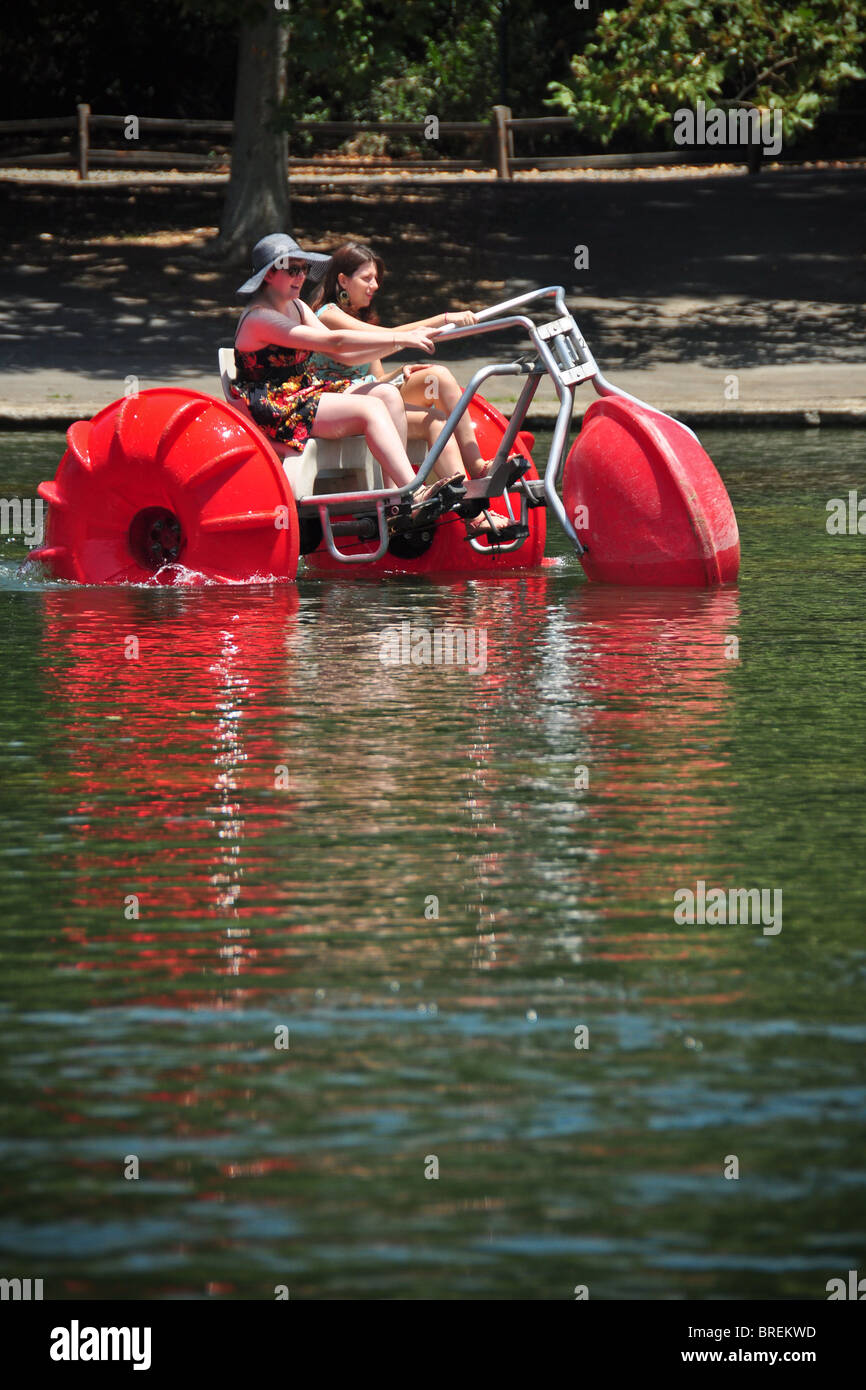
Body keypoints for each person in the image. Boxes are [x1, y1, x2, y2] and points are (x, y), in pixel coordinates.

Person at [231, 234, 463, 512]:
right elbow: (335, 342)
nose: (300, 277)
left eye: (303, 269)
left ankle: (394, 497)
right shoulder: (259, 318)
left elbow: (343, 355)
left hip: (303, 393)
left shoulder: (298, 307)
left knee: (387, 394)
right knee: (370, 409)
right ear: (269, 275)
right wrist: (401, 338)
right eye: (292, 269)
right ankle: (412, 491)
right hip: (275, 407)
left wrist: (401, 342)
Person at [308, 243, 513, 536]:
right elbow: (394, 336)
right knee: (413, 397)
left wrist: (401, 372)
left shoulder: (361, 320)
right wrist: (444, 319)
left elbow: (376, 375)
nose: (375, 286)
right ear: (342, 280)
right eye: (367, 278)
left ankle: (476, 485)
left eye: (376, 278)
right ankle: (411, 497)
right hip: (338, 405)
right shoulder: (328, 315)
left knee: (438, 387)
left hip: (372, 396)